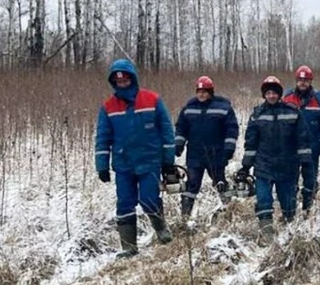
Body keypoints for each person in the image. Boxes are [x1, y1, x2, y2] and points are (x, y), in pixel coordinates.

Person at [95, 58, 177, 258]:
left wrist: (168, 160)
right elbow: (103, 138)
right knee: (124, 203)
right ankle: (129, 247)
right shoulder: (108, 108)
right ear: (113, 83)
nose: (122, 84)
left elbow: (167, 131)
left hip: (149, 161)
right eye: (118, 81)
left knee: (148, 200)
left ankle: (161, 229)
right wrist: (102, 166)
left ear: (132, 79)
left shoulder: (153, 100)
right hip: (124, 165)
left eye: (125, 80)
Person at [236, 75, 313, 235]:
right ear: (264, 95)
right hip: (263, 166)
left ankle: (289, 233)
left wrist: (305, 161)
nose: (271, 96)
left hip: (288, 167)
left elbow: (302, 139)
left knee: (289, 205)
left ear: (279, 94)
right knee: (264, 201)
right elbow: (251, 143)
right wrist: (245, 166)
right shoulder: (257, 114)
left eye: (274, 93)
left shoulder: (293, 112)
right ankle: (267, 233)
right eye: (268, 93)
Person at [174, 76, 240, 218]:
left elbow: (232, 128)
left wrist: (229, 147)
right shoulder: (189, 108)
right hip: (195, 154)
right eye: (199, 91)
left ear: (210, 92)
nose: (201, 94)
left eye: (204, 91)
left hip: (216, 153)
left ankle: (228, 211)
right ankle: (184, 217)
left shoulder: (223, 107)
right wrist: (178, 144)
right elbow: (181, 128)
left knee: (220, 183)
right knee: (191, 185)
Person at [282, 65, 320, 212]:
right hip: (291, 147)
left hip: (312, 147)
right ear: (296, 81)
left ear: (311, 81)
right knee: (290, 180)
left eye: (306, 80)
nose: (303, 83)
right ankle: (290, 210)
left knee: (310, 180)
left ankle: (308, 208)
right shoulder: (287, 98)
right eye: (300, 80)